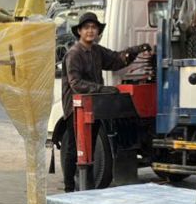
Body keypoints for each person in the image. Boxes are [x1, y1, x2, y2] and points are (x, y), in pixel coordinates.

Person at [60, 11, 150, 192]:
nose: (90, 31)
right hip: (75, 109)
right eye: (86, 28)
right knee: (75, 149)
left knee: (91, 148)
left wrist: (134, 51)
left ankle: (88, 187)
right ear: (79, 31)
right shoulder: (74, 54)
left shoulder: (96, 51)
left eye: (94, 27)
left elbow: (116, 60)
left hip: (93, 106)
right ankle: (69, 188)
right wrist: (102, 89)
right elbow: (76, 84)